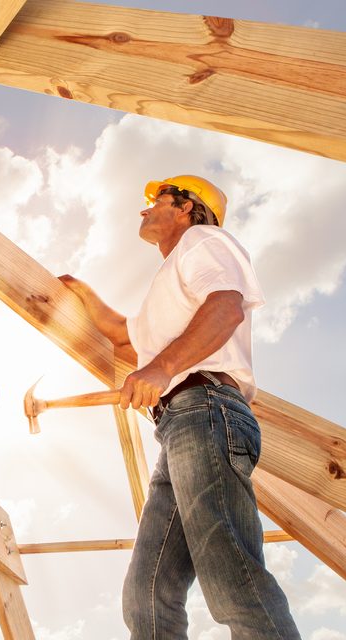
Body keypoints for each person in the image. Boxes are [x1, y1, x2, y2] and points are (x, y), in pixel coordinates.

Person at [59, 176, 300, 639]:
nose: (144, 210)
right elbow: (124, 337)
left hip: (206, 408)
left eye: (155, 201)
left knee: (233, 579)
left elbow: (227, 307)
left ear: (186, 208)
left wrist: (161, 370)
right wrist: (81, 291)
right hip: (180, 424)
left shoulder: (203, 241)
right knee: (148, 598)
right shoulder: (170, 280)